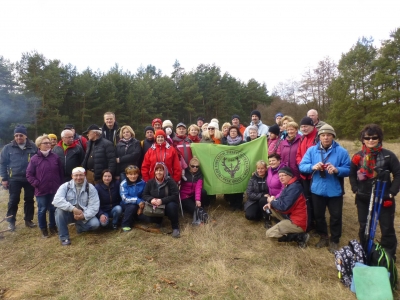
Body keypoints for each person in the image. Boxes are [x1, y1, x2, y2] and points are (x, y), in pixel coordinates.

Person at [349, 124, 400, 259]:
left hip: (384, 198)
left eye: (374, 137)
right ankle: (365, 252)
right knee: (364, 226)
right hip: (363, 197)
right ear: (363, 139)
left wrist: (391, 192)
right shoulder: (358, 157)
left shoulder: (388, 156)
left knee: (387, 227)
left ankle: (388, 255)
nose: (370, 140)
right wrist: (355, 189)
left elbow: (398, 174)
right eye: (367, 138)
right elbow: (352, 174)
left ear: (379, 139)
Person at [299, 124, 350, 253]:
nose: (326, 137)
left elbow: (349, 169)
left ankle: (334, 240)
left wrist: (337, 169)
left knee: (336, 216)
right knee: (319, 216)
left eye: (328, 135)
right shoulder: (312, 150)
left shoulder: (342, 151)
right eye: (323, 135)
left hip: (335, 190)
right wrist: (312, 167)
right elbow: (302, 166)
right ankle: (323, 236)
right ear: (319, 137)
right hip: (317, 190)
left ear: (333, 136)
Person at [0, 125, 38, 231]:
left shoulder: (33, 147)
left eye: (21, 135)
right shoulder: (8, 148)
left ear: (25, 136)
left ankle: (28, 220)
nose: (18, 137)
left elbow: (38, 162)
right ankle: (11, 222)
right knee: (13, 200)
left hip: (29, 178)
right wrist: (4, 178)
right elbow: (2, 164)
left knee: (29, 200)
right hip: (14, 178)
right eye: (16, 135)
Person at [26, 134, 63, 238]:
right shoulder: (34, 159)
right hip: (41, 190)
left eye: (49, 143)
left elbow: (60, 172)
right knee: (42, 209)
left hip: (54, 188)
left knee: (53, 208)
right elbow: (29, 174)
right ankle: (43, 229)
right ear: (39, 145)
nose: (48, 145)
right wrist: (36, 183)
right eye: (45, 143)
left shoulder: (55, 157)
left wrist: (59, 184)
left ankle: (52, 226)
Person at [52, 167, 100, 246]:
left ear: (84, 175)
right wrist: (73, 209)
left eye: (81, 175)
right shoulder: (65, 186)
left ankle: (79, 227)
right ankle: (64, 237)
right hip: (68, 213)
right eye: (76, 175)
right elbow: (56, 200)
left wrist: (84, 216)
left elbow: (94, 206)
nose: (78, 178)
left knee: (95, 224)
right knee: (59, 211)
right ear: (72, 176)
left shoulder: (91, 188)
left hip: (83, 213)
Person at [264, 167, 309, 248]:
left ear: (290, 176)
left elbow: (284, 207)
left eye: (283, 175)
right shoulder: (289, 185)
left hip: (298, 222)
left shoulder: (294, 188)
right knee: (269, 209)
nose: (281, 178)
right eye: (279, 176)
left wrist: (272, 202)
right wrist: (272, 203)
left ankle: (300, 236)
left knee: (269, 234)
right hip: (290, 215)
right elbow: (282, 201)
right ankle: (285, 227)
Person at [142, 162, 181, 238]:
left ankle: (175, 228)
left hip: (167, 204)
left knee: (172, 206)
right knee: (147, 217)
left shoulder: (170, 181)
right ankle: (158, 221)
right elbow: (144, 195)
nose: (158, 172)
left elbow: (175, 195)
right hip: (155, 205)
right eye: (156, 170)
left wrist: (162, 201)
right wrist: (151, 199)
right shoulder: (150, 182)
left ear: (165, 171)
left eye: (161, 170)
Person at [296, 117, 318, 229]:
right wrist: (301, 165)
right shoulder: (302, 138)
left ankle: (317, 221)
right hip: (304, 174)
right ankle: (310, 220)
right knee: (307, 198)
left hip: (315, 174)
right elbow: (298, 154)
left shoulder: (318, 137)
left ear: (312, 126)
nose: (304, 129)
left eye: (306, 126)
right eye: (302, 127)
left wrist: (309, 167)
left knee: (316, 200)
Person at [223, 126, 246, 211]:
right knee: (230, 184)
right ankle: (232, 203)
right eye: (231, 131)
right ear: (229, 133)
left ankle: (239, 204)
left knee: (238, 183)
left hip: (239, 166)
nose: (233, 132)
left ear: (238, 133)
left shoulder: (243, 142)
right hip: (228, 166)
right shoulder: (224, 143)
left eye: (235, 131)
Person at [119, 165, 146, 232]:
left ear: (138, 174)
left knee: (144, 217)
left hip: (141, 204)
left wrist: (141, 205)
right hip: (127, 204)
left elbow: (145, 195)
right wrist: (137, 201)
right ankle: (125, 224)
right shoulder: (123, 184)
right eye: (130, 174)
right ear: (127, 175)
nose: (133, 176)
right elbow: (124, 198)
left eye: (135, 174)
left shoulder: (143, 183)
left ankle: (135, 218)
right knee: (132, 207)